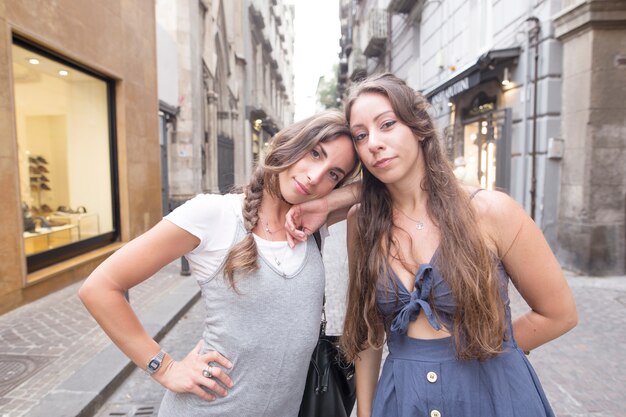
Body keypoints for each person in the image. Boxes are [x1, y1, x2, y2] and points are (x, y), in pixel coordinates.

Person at [286, 73, 577, 417]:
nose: (374, 143)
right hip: (402, 399)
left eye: (388, 124)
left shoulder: (490, 212)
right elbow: (368, 332)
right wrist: (365, 412)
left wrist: (493, 352)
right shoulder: (361, 222)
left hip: (493, 397)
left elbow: (559, 314)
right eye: (361, 135)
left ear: (419, 126)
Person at [78, 109, 360, 417]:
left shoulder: (312, 222)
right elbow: (100, 287)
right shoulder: (214, 215)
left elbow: (388, 186)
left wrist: (327, 202)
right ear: (289, 144)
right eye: (315, 153)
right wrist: (164, 367)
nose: (316, 176)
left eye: (334, 174)